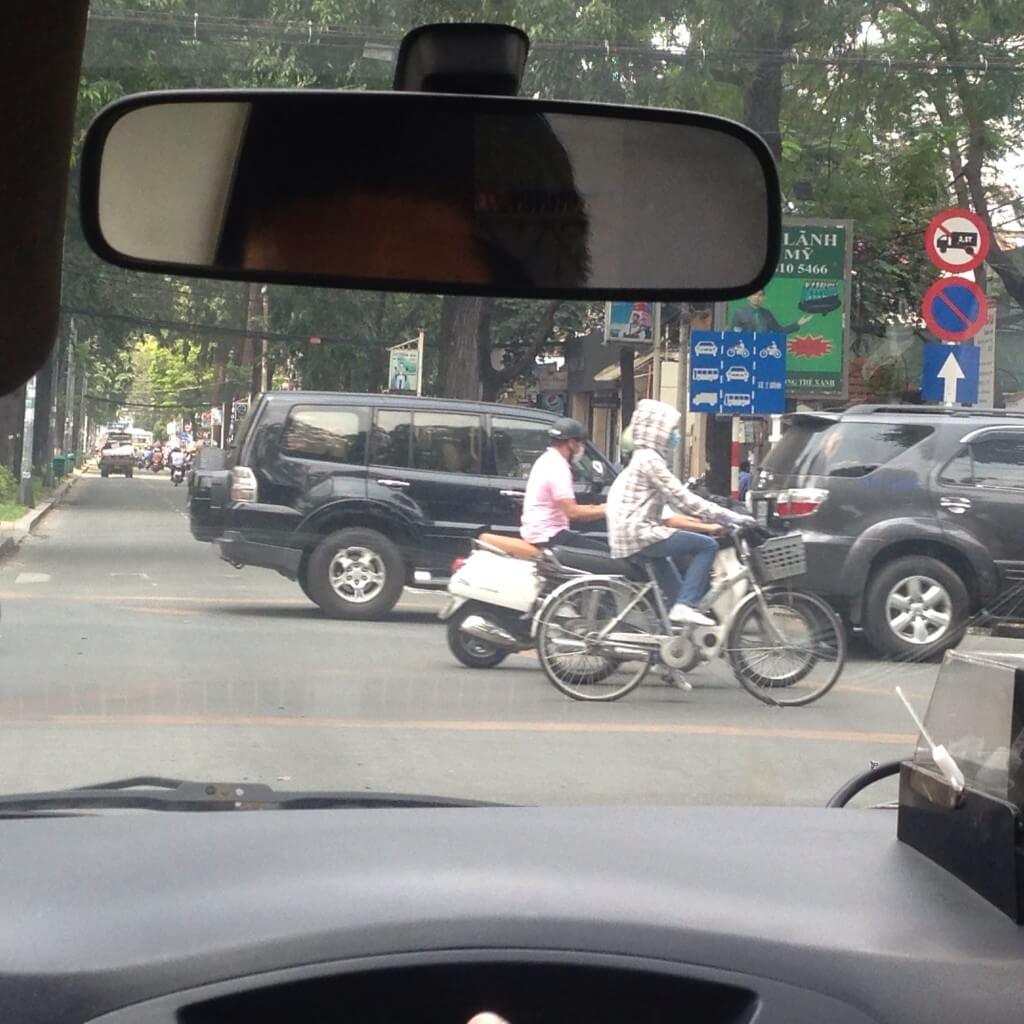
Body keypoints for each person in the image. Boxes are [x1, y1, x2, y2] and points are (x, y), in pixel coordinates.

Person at [607, 399, 754, 626]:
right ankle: (686, 606)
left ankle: (669, 635)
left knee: (673, 595)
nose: (674, 435)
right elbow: (683, 500)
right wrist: (730, 516)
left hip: (634, 532)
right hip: (639, 533)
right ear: (657, 431)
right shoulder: (650, 460)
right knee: (707, 546)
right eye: (671, 430)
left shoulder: (643, 458)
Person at [520, 417, 607, 551]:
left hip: (539, 533)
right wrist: (608, 510)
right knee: (607, 555)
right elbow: (573, 512)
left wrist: (599, 508)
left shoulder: (546, 459)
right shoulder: (558, 467)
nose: (581, 448)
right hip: (549, 536)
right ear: (572, 443)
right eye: (581, 443)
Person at [729, 288, 812, 335]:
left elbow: (779, 331)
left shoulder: (767, 313)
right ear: (748, 297)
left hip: (764, 347)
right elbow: (735, 334)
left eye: (760, 295)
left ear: (763, 298)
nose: (757, 297)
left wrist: (797, 324)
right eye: (754, 294)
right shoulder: (739, 313)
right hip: (747, 348)